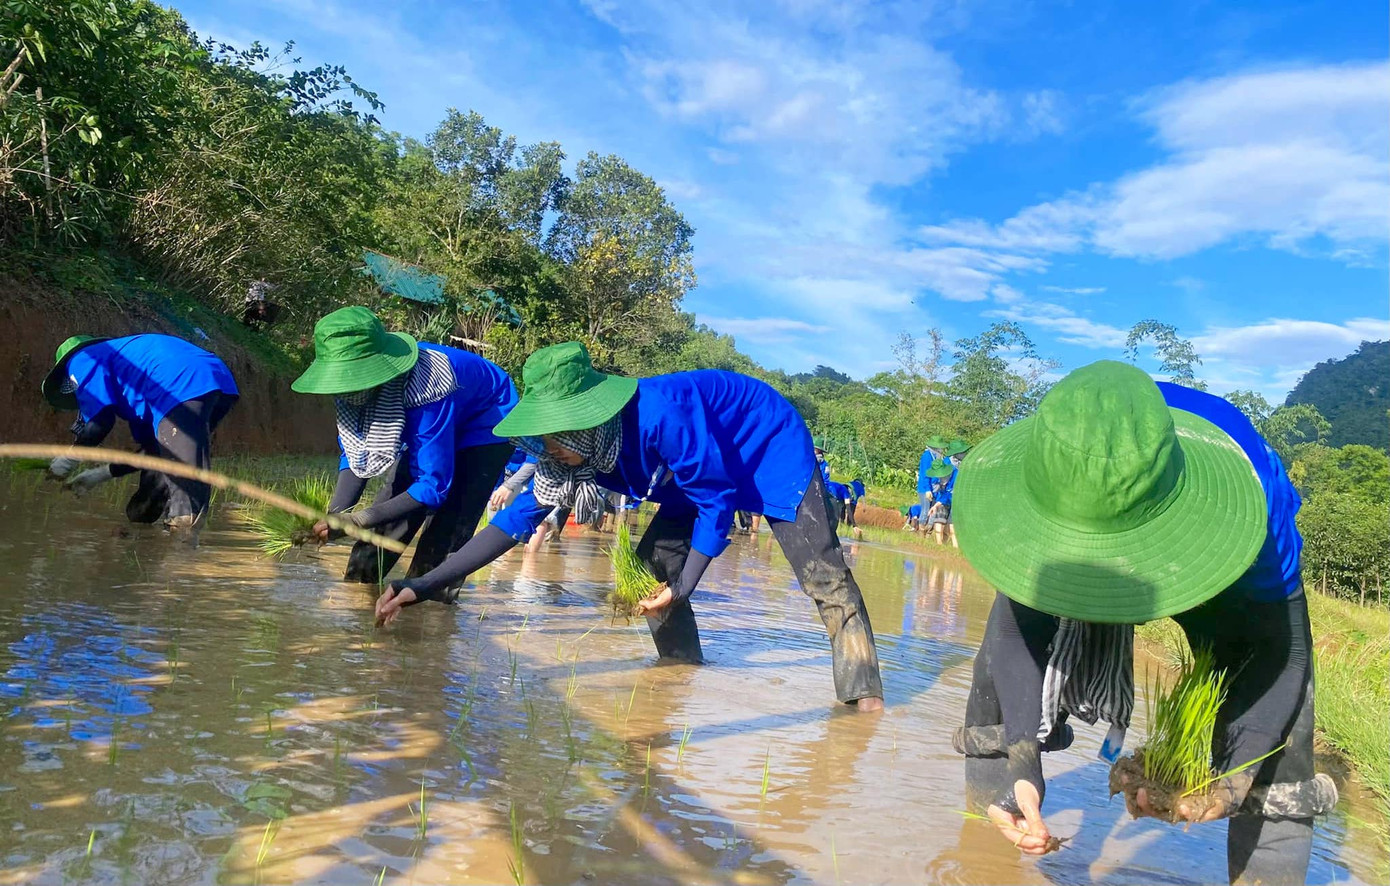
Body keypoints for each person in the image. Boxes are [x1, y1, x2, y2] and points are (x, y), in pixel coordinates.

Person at [951, 360, 1331, 886]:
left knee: (1280, 738)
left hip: (1220, 565)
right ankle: (989, 844)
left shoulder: (1253, 512)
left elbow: (1280, 654)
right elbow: (1019, 633)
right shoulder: (1052, 467)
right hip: (1069, 510)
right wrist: (1021, 765)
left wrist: (1232, 780)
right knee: (996, 671)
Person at [375, 342, 884, 712]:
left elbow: (717, 501)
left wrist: (686, 585)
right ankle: (681, 670)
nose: (551, 451)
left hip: (765, 443)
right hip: (702, 464)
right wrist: (421, 585)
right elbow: (514, 521)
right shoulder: (575, 449)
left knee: (823, 575)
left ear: (589, 418)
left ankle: (864, 701)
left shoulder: (664, 417)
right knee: (647, 569)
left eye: (558, 438)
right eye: (544, 440)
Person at [292, 307, 518, 584]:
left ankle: (430, 605)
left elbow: (432, 485)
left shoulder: (428, 386)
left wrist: (359, 520)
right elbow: (354, 455)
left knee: (448, 525)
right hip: (436, 414)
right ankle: (358, 592)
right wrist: (335, 517)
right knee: (391, 505)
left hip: (487, 422)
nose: (344, 389)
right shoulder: (350, 393)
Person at [42, 333, 240, 541]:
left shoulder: (82, 359)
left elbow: (100, 422)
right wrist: (101, 474)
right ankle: (147, 539)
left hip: (178, 382)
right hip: (217, 379)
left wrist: (69, 459)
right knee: (144, 504)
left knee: (184, 488)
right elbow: (153, 453)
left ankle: (182, 559)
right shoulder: (133, 388)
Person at [922, 461, 956, 546]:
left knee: (952, 527)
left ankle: (955, 547)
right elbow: (943, 494)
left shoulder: (955, 476)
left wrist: (936, 505)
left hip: (956, 502)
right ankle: (939, 545)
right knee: (939, 519)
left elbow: (950, 494)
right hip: (944, 500)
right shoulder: (941, 480)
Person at [916, 435, 948, 517]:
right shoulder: (927, 456)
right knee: (925, 510)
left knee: (932, 510)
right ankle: (921, 528)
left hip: (934, 488)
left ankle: (928, 528)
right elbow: (925, 474)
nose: (941, 450)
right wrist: (927, 489)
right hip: (925, 488)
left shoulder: (937, 456)